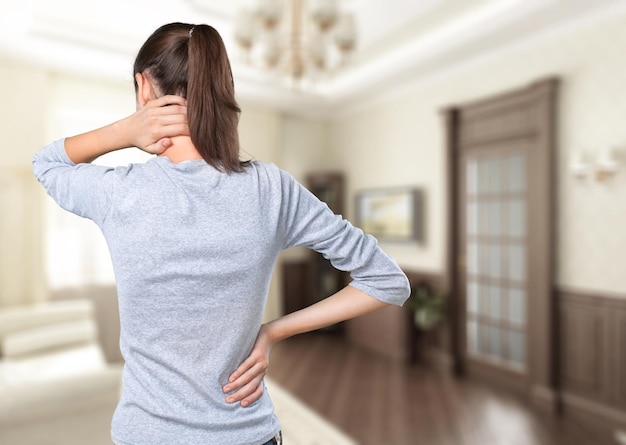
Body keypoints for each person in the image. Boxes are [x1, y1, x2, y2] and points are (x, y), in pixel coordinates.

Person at [33, 22, 410, 445]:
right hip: (247, 434)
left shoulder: (117, 192)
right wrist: (272, 332)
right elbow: (388, 281)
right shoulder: (271, 189)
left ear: (144, 88)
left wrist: (125, 131)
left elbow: (47, 164)